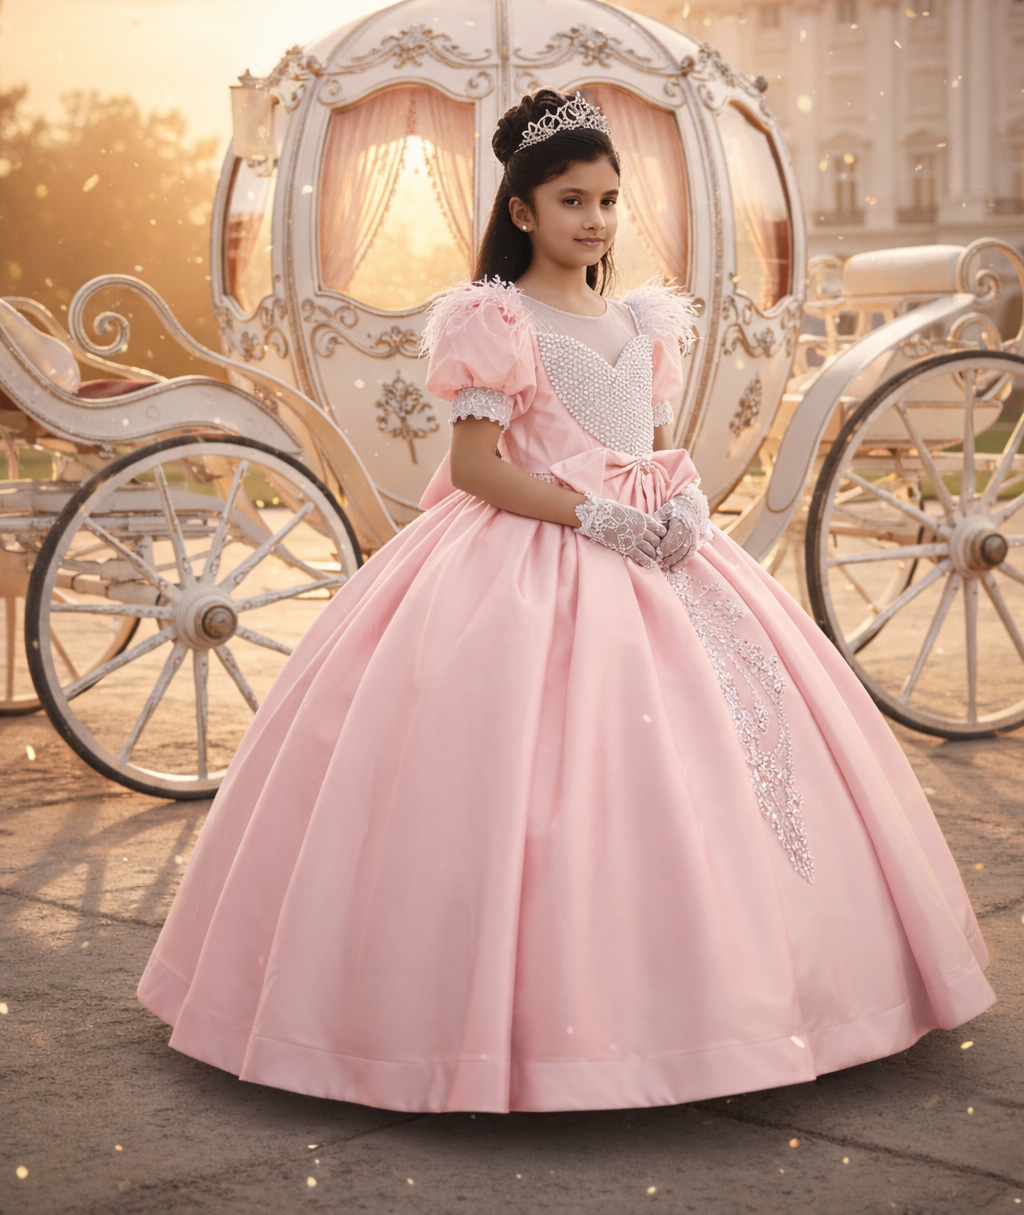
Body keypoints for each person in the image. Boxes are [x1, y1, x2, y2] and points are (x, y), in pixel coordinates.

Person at [138, 90, 994, 1114]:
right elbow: (478, 466)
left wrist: (674, 504)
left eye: (606, 200)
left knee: (734, 754)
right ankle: (510, 1034)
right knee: (522, 784)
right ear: (523, 213)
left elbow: (646, 443)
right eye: (570, 200)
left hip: (662, 555)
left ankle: (757, 995)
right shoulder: (496, 321)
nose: (593, 219)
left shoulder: (641, 319)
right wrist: (594, 519)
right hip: (531, 554)